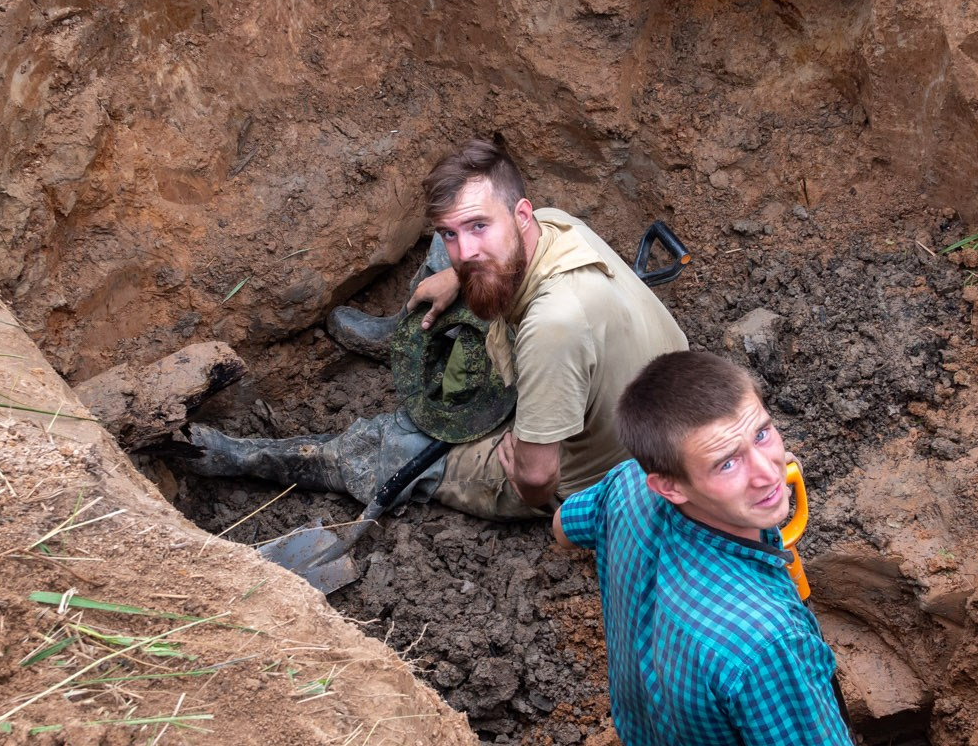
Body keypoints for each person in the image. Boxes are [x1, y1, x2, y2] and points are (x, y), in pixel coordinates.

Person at [552, 350, 947, 746]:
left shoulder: (629, 485)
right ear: (672, 485)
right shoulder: (765, 641)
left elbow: (562, 523)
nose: (770, 473)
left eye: (762, 433)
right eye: (727, 463)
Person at [182, 139, 687, 520]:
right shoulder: (554, 222)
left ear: (520, 213)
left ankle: (241, 457)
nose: (464, 248)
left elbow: (537, 477)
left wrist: (531, 480)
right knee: (443, 261)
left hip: (588, 474)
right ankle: (412, 337)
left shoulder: (553, 327)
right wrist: (454, 275)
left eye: (478, 226)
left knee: (379, 449)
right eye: (452, 231)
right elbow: (474, 252)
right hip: (645, 390)